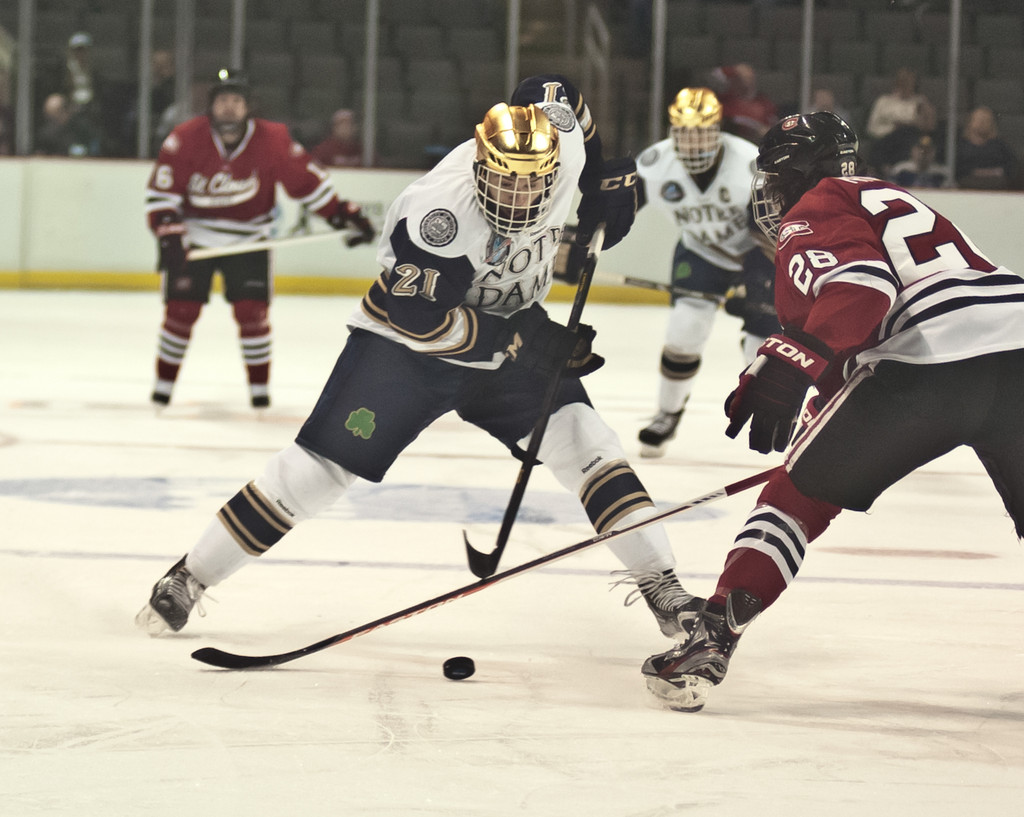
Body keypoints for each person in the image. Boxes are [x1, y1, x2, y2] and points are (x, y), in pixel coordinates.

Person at [136, 74, 705, 647]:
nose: (517, 200)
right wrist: (524, 345)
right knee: (319, 470)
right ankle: (190, 575)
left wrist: (604, 174)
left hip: (513, 328)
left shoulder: (563, 144)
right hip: (405, 349)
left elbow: (554, 90)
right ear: (480, 164)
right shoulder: (439, 213)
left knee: (588, 442)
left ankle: (664, 588)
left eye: (532, 186)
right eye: (502, 184)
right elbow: (419, 319)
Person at [642, 111, 1024, 713]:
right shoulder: (890, 197)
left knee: (795, 498)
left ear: (795, 173)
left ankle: (710, 638)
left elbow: (864, 290)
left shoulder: (815, 205)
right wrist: (819, 398)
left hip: (926, 363)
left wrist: (792, 364)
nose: (767, 194)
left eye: (772, 178)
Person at [143, 68, 375, 410]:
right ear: (211, 105)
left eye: (236, 101)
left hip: (250, 242)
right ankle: (162, 391)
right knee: (180, 313)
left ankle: (259, 394)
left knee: (252, 315)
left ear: (248, 106)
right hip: (197, 239)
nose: (229, 108)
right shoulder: (185, 138)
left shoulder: (274, 139)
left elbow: (307, 184)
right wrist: (170, 237)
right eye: (223, 100)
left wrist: (343, 214)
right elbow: (162, 196)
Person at [631, 87, 780, 458]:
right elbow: (617, 211)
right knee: (684, 331)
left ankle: (771, 412)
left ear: (717, 130)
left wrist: (757, 283)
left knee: (758, 345)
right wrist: (585, 240)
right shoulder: (653, 164)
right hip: (701, 252)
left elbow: (772, 227)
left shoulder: (749, 162)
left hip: (756, 255)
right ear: (672, 131)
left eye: (701, 132)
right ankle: (667, 414)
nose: (694, 142)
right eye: (685, 132)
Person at [865, 66, 936, 175]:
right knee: (879, 148)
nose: (906, 85)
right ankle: (886, 169)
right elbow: (872, 128)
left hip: (909, 141)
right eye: (903, 81)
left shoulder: (919, 102)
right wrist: (893, 128)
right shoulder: (883, 102)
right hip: (886, 140)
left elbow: (928, 126)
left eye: (909, 82)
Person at [706, 63, 779, 144]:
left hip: (754, 144)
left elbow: (772, 130)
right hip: (726, 143)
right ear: (732, 80)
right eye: (740, 78)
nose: (745, 82)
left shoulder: (764, 103)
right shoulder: (720, 102)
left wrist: (759, 131)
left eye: (748, 78)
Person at [955, 106, 1019, 190]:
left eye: (986, 120)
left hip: (996, 187)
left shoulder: (1000, 145)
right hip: (967, 187)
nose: (982, 123)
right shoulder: (961, 145)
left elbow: (1011, 165)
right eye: (979, 120)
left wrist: (995, 172)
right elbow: (956, 167)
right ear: (970, 122)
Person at [34, 92, 101, 156]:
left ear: (64, 111)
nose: (50, 118)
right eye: (47, 115)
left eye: (53, 114)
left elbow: (94, 146)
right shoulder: (46, 133)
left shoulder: (82, 127)